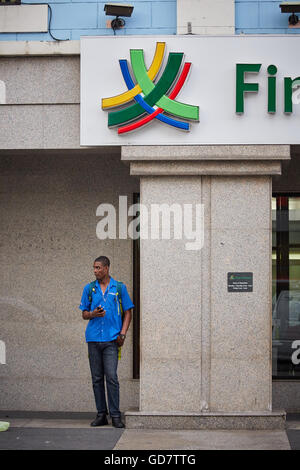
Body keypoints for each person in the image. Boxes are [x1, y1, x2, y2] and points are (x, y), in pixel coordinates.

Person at [79, 255, 134, 428]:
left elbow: (128, 312)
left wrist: (123, 334)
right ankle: (101, 414)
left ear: (106, 268)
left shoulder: (119, 288)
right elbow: (84, 314)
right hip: (93, 339)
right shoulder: (89, 289)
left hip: (112, 340)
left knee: (111, 377)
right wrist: (92, 314)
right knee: (96, 379)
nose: (95, 271)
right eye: (94, 268)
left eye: (98, 268)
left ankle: (116, 416)